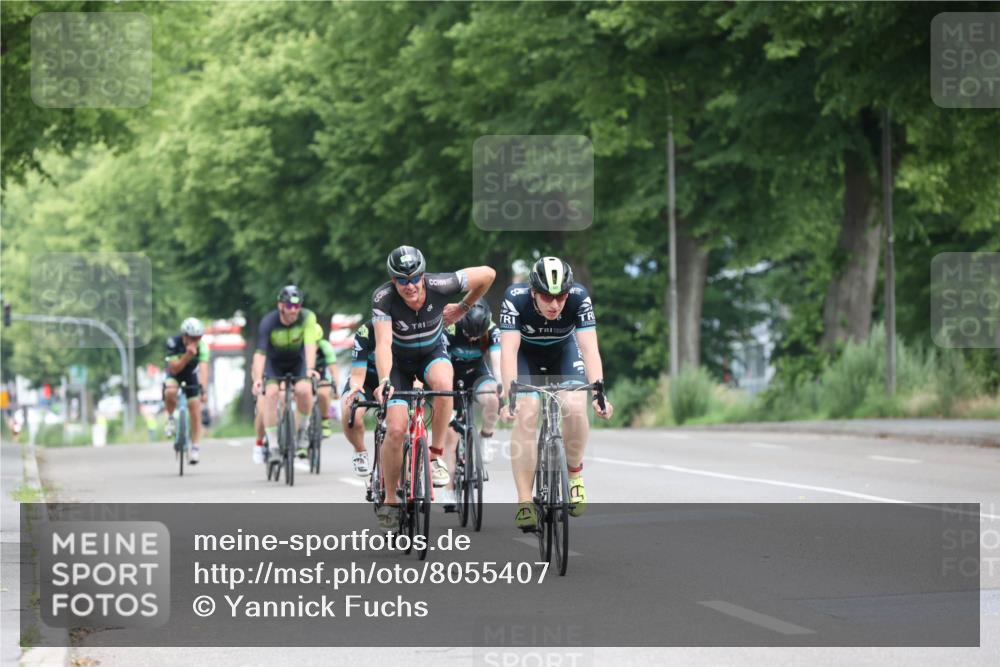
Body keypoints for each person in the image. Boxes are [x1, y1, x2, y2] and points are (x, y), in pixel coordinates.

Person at [351, 245, 495, 531]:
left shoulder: (441, 284)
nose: (409, 285)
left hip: (431, 353)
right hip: (398, 363)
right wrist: (384, 381)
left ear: (423, 274)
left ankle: (436, 455)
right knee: (395, 429)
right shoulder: (383, 298)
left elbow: (488, 274)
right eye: (401, 280)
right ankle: (391, 500)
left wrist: (463, 306)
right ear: (393, 280)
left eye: (415, 277)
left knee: (444, 384)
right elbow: (382, 345)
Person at [499, 256, 614, 529]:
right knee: (527, 411)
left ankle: (574, 476)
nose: (555, 304)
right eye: (547, 297)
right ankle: (525, 501)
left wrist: (599, 393)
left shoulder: (579, 297)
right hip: (525, 356)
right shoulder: (515, 299)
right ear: (533, 292)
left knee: (574, 406)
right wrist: (509, 399)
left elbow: (589, 350)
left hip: (563, 352)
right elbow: (508, 353)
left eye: (560, 297)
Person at [438, 299, 502, 509]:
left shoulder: (492, 330)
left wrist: (501, 385)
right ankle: (448, 490)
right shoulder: (449, 327)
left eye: (478, 335)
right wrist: (446, 399)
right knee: (450, 436)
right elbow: (440, 362)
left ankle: (486, 437)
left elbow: (497, 360)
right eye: (469, 335)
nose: (473, 338)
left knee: (492, 397)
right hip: (451, 375)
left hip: (477, 373)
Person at [250, 285, 320, 464]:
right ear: (280, 306)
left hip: (298, 361)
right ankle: (273, 445)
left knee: (304, 390)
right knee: (271, 394)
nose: (294, 310)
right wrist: (258, 379)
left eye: (297, 306)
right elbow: (260, 353)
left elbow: (310, 344)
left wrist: (310, 368)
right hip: (275, 363)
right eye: (289, 306)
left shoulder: (307, 317)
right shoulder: (269, 322)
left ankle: (303, 430)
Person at [163, 317, 210, 464]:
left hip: (191, 376)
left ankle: (195, 447)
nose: (195, 340)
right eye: (192, 337)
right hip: (174, 374)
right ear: (184, 335)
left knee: (195, 409)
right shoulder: (173, 343)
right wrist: (188, 355)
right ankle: (170, 418)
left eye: (198, 337)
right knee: (170, 391)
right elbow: (175, 368)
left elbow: (203, 369)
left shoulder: (202, 347)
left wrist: (203, 390)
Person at [340, 319, 378, 477]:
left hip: (397, 380)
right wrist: (355, 387)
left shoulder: (409, 328)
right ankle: (360, 450)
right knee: (350, 411)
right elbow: (357, 373)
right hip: (365, 381)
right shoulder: (366, 331)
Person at [311, 322, 341, 449]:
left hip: (321, 375)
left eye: (316, 342)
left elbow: (334, 369)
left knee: (323, 393)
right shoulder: (301, 346)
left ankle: (324, 421)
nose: (314, 346)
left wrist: (335, 386)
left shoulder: (325, 347)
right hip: (304, 375)